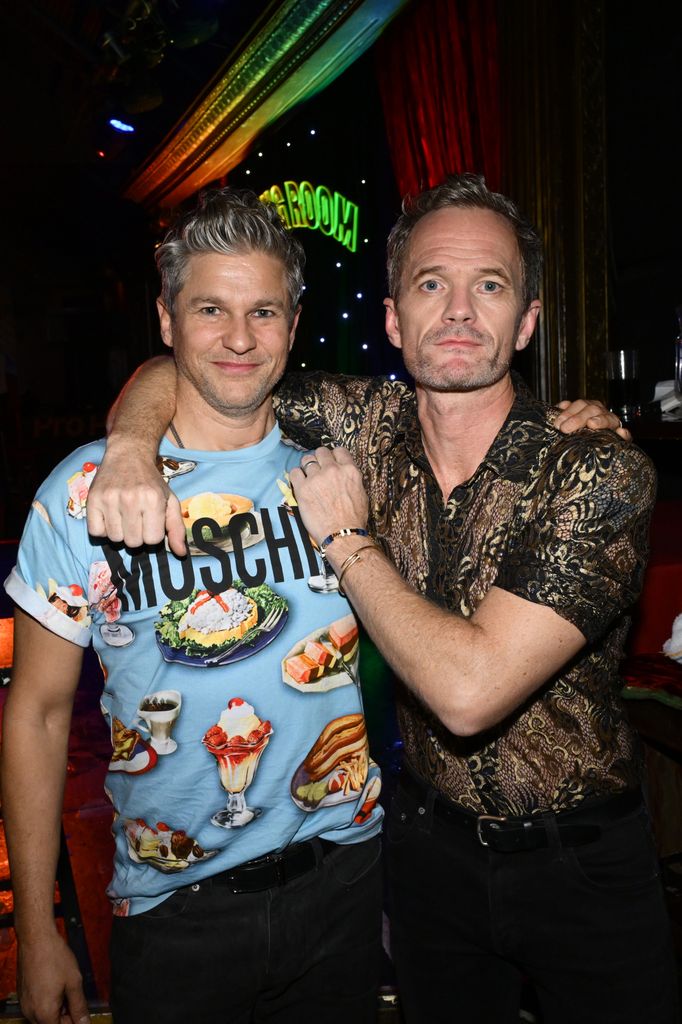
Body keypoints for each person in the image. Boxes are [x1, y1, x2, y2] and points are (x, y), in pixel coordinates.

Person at [82, 175, 673, 1024]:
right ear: (395, 319)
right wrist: (132, 446)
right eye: (432, 283)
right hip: (425, 855)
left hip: (581, 865)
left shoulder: (596, 470)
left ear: (528, 321)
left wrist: (347, 542)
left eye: (491, 286)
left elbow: (470, 696)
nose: (461, 309)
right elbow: (202, 366)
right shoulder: (363, 421)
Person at [1, 189, 384, 1024]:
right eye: (210, 309)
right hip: (174, 910)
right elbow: (35, 713)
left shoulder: (345, 471)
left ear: (294, 321)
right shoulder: (82, 493)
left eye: (264, 311)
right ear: (167, 323)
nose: (240, 338)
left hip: (344, 878)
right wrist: (39, 931)